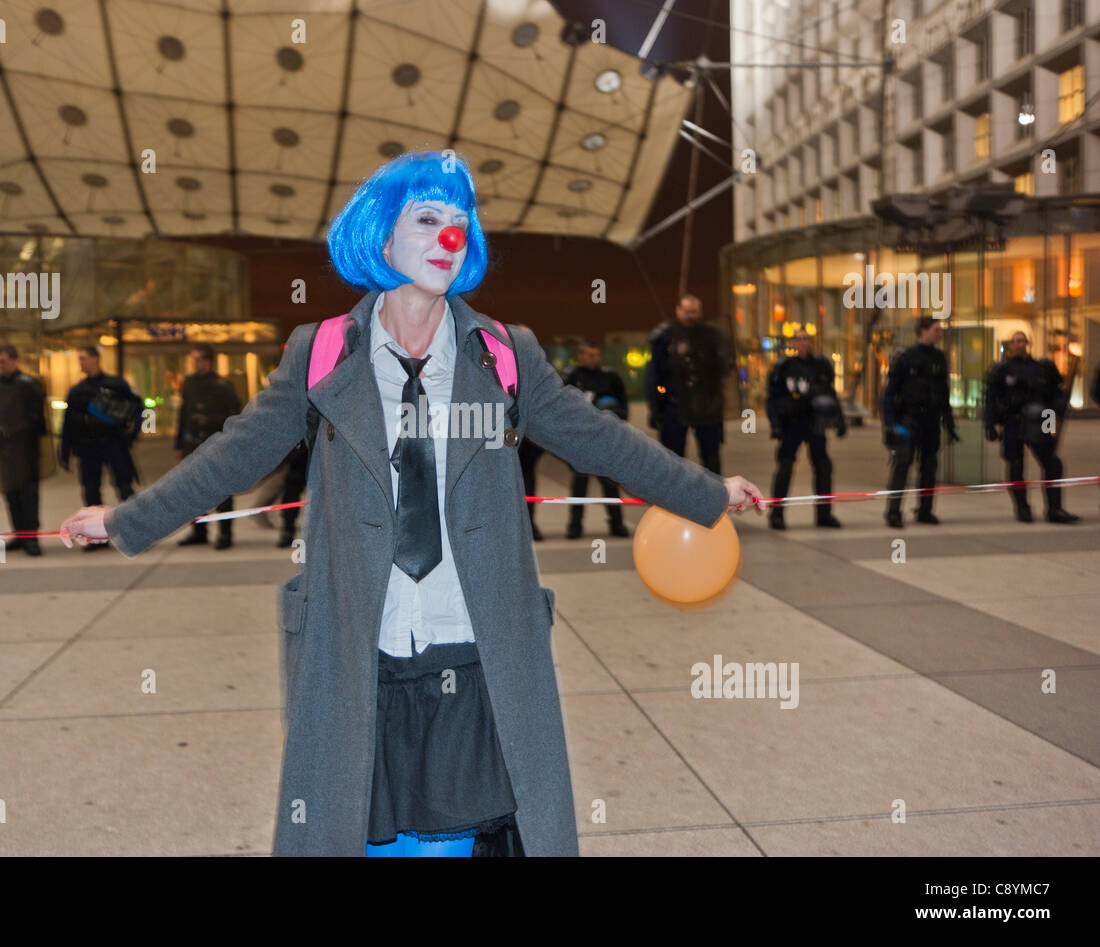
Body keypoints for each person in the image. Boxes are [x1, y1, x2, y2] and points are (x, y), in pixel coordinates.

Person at [59, 151, 762, 858]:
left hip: (474, 649)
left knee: (452, 840)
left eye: (460, 223)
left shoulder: (505, 354)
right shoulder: (322, 352)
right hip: (362, 649)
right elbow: (235, 452)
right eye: (427, 219)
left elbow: (601, 440)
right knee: (361, 834)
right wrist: (125, 519)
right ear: (383, 237)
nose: (448, 239)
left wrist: (706, 493)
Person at [984, 331, 1079, 523]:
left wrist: (1055, 416)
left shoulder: (1043, 368)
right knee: (1016, 465)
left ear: (1028, 343)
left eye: (1022, 341)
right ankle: (1022, 508)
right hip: (1014, 421)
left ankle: (1054, 509)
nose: (1019, 344)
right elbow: (991, 399)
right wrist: (990, 424)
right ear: (1010, 345)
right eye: (1015, 341)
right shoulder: (1002, 370)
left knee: (1052, 463)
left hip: (1042, 419)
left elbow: (1055, 395)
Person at [59, 346, 142, 549]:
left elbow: (138, 407)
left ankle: (137, 532)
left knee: (125, 488)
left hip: (114, 443)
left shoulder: (116, 384)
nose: (81, 362)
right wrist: (64, 450)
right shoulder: (77, 390)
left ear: (96, 359)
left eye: (84, 358)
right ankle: (95, 537)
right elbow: (68, 422)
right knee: (90, 491)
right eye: (79, 358)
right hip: (89, 448)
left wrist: (132, 434)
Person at [881, 317, 958, 528]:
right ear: (923, 331)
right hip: (909, 420)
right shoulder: (906, 358)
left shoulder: (939, 358)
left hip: (931, 421)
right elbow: (889, 394)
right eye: (936, 330)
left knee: (929, 467)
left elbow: (943, 393)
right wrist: (889, 424)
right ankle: (893, 511)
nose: (939, 334)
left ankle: (925, 510)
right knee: (902, 465)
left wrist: (949, 422)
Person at [765, 328, 845, 530]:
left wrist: (839, 419)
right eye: (799, 339)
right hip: (792, 423)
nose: (802, 342)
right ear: (793, 342)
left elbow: (831, 394)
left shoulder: (822, 365)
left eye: (806, 339)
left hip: (815, 423)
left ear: (811, 342)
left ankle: (824, 514)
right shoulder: (785, 366)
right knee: (785, 466)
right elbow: (773, 398)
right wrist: (775, 425)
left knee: (823, 467)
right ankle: (777, 514)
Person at [645, 294, 731, 475]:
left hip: (706, 406)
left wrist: (701, 357)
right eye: (687, 311)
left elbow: (725, 368)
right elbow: (655, 375)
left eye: (695, 311)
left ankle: (712, 499)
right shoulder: (665, 336)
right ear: (678, 310)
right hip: (675, 404)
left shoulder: (712, 335)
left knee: (711, 458)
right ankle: (674, 500)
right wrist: (656, 406)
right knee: (673, 459)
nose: (691, 315)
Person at [0, 344, 50, 556]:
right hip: (5, 451)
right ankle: (19, 534)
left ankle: (31, 537)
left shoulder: (28, 385)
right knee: (11, 493)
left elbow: (38, 420)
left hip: (26, 449)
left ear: (13, 360)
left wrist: (11, 431)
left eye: (3, 361)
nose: (0, 365)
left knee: (28, 495)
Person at [173, 344, 242, 550]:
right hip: (193, 443)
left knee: (222, 491)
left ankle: (225, 534)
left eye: (197, 359)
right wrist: (179, 443)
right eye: (192, 359)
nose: (193, 363)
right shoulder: (189, 383)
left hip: (217, 443)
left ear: (207, 361)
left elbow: (235, 416)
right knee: (195, 490)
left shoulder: (223, 385)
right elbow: (183, 414)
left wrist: (209, 419)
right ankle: (199, 531)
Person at [562, 340, 630, 539]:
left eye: (597, 355)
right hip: (580, 439)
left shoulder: (610, 377)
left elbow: (623, 405)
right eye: (590, 355)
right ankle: (575, 526)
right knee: (579, 485)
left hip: (606, 439)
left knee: (610, 484)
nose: (594, 359)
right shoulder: (572, 377)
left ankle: (616, 524)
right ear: (581, 356)